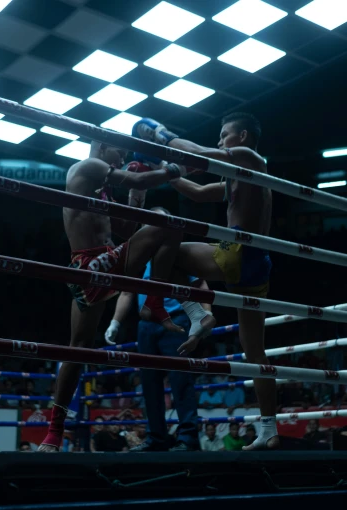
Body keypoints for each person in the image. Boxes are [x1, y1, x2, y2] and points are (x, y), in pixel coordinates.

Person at [39, 147, 212, 452]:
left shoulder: (103, 191)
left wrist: (135, 200)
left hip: (110, 260)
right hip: (87, 264)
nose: (121, 159)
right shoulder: (86, 167)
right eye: (118, 152)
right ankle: (54, 432)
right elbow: (137, 179)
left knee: (165, 221)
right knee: (78, 349)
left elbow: (127, 229)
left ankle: (154, 303)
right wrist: (177, 169)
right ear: (104, 147)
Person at [133, 113, 278, 450]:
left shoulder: (250, 158)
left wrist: (160, 134)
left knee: (165, 247)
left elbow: (197, 153)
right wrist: (164, 174)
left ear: (242, 136)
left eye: (224, 134)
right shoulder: (237, 177)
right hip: (255, 265)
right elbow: (196, 192)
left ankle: (197, 314)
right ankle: (270, 429)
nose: (219, 141)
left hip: (238, 252)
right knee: (254, 351)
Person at [106, 206, 210, 451]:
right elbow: (126, 291)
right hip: (147, 325)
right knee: (150, 384)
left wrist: (207, 315)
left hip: (177, 322)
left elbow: (200, 282)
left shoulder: (175, 252)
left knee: (180, 381)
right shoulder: (139, 258)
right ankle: (157, 438)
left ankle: (188, 439)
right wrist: (115, 323)